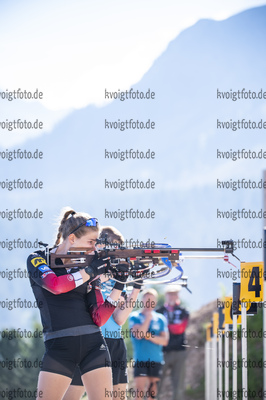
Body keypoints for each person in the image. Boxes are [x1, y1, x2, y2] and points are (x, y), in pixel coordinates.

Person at [27, 208, 126, 400]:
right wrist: (89, 271)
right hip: (60, 346)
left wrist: (119, 285)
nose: (94, 249)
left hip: (93, 344)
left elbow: (99, 319)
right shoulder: (38, 258)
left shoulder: (85, 267)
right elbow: (55, 286)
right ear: (71, 238)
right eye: (90, 242)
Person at [63, 225, 144, 400]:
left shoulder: (117, 276)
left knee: (119, 396)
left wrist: (137, 285)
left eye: (118, 249)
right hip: (89, 341)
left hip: (115, 342)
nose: (115, 253)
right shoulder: (86, 267)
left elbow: (119, 319)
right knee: (72, 395)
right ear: (99, 245)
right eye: (111, 248)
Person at [129, 288, 169, 400]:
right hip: (140, 360)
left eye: (152, 300)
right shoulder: (134, 316)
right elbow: (138, 335)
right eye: (147, 300)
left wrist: (147, 335)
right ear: (142, 301)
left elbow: (164, 340)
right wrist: (148, 318)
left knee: (152, 392)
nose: (149, 303)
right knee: (139, 391)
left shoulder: (161, 319)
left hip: (156, 359)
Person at [157, 285, 189, 400]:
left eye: (175, 294)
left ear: (178, 295)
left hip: (179, 352)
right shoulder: (158, 311)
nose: (172, 296)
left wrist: (164, 327)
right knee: (156, 384)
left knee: (178, 385)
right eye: (170, 294)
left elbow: (180, 328)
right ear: (166, 295)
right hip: (162, 352)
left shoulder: (184, 312)